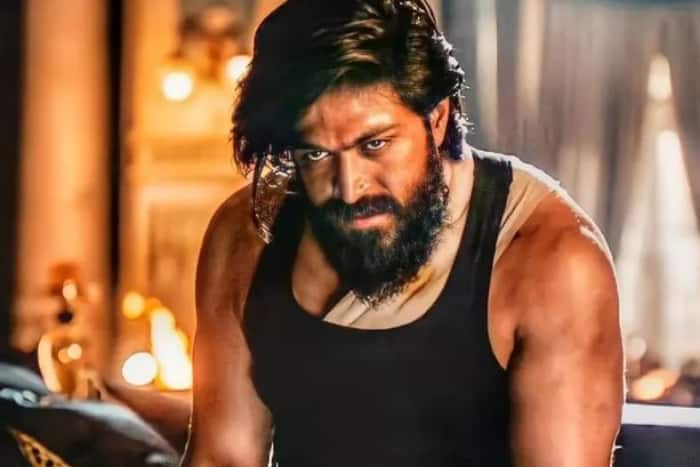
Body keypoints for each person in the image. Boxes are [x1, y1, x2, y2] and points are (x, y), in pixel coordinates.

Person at [182, 1, 624, 466]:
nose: (349, 187)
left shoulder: (552, 261)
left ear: (437, 119)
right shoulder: (248, 234)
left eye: (374, 144)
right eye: (314, 154)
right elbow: (221, 458)